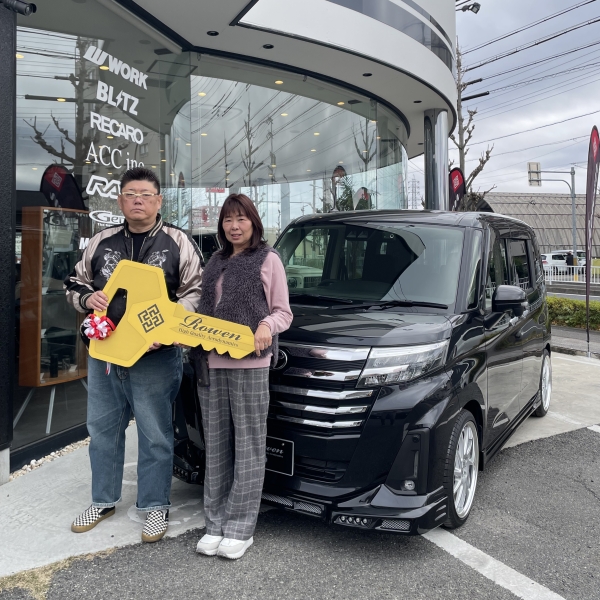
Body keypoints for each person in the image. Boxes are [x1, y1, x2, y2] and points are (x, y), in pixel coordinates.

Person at [64, 167, 203, 542]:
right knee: (102, 431)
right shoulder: (102, 241)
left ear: (159, 201)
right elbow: (74, 282)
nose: (137, 201)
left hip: (155, 358)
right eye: (130, 194)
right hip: (105, 354)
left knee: (155, 434)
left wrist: (167, 329)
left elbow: (196, 292)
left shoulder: (178, 242)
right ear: (120, 200)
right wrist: (87, 298)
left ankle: (154, 506)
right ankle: (103, 500)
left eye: (145, 195)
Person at [194, 193, 292, 560]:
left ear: (253, 222)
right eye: (228, 220)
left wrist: (266, 325)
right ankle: (214, 522)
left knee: (249, 446)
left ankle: (239, 527)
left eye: (241, 219)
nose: (234, 226)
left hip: (250, 363)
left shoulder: (268, 259)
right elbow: (203, 311)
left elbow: (283, 312)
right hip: (209, 363)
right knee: (217, 446)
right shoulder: (215, 261)